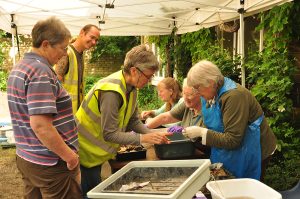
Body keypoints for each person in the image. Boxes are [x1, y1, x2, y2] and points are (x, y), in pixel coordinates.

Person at [75, 44, 171, 198]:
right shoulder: (111, 92)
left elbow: (133, 121)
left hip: (97, 152)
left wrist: (152, 134)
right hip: (85, 151)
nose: (150, 80)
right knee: (90, 194)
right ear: (134, 71)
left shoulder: (131, 88)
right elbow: (110, 134)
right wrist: (142, 138)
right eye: (148, 76)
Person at [7, 17, 81, 198]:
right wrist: (69, 157)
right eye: (63, 48)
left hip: (27, 157)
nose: (64, 54)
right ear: (46, 44)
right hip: (51, 163)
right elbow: (41, 126)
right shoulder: (41, 72)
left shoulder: (20, 67)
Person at [183, 60, 277, 181]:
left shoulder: (234, 96)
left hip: (252, 149)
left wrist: (201, 132)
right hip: (229, 149)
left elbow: (233, 140)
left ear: (211, 82)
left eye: (197, 88)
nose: (197, 93)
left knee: (243, 188)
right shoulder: (211, 92)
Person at [145, 78, 210, 158]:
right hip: (186, 151)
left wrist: (183, 129)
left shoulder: (209, 110)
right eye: (184, 94)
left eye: (189, 95)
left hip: (203, 155)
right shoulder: (186, 105)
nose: (185, 98)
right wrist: (143, 128)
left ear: (201, 94)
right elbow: (165, 117)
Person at [54, 24, 100, 114]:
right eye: (92, 37)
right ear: (82, 33)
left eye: (96, 40)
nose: (94, 42)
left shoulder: (80, 55)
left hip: (75, 113)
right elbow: (55, 84)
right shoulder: (66, 53)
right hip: (63, 113)